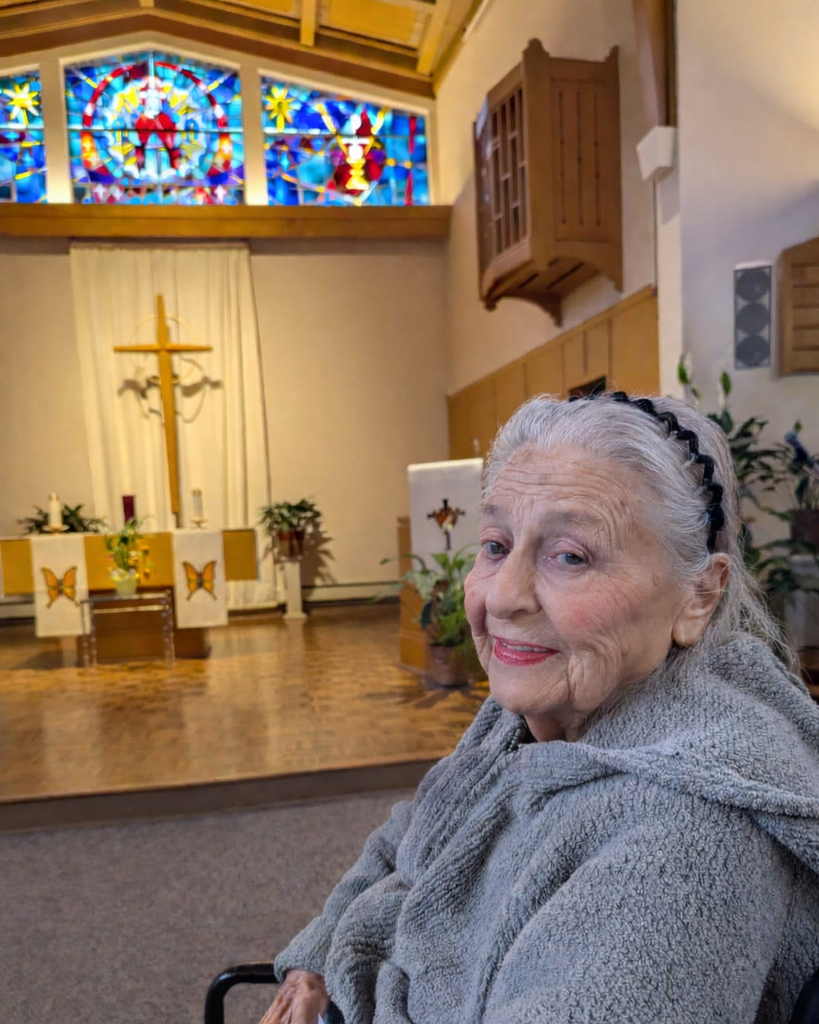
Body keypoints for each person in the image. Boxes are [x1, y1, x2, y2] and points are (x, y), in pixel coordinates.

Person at [261, 392, 819, 1024]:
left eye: (570, 556)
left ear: (700, 595)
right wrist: (317, 961)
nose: (503, 596)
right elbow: (408, 836)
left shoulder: (687, 846)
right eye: (496, 545)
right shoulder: (528, 719)